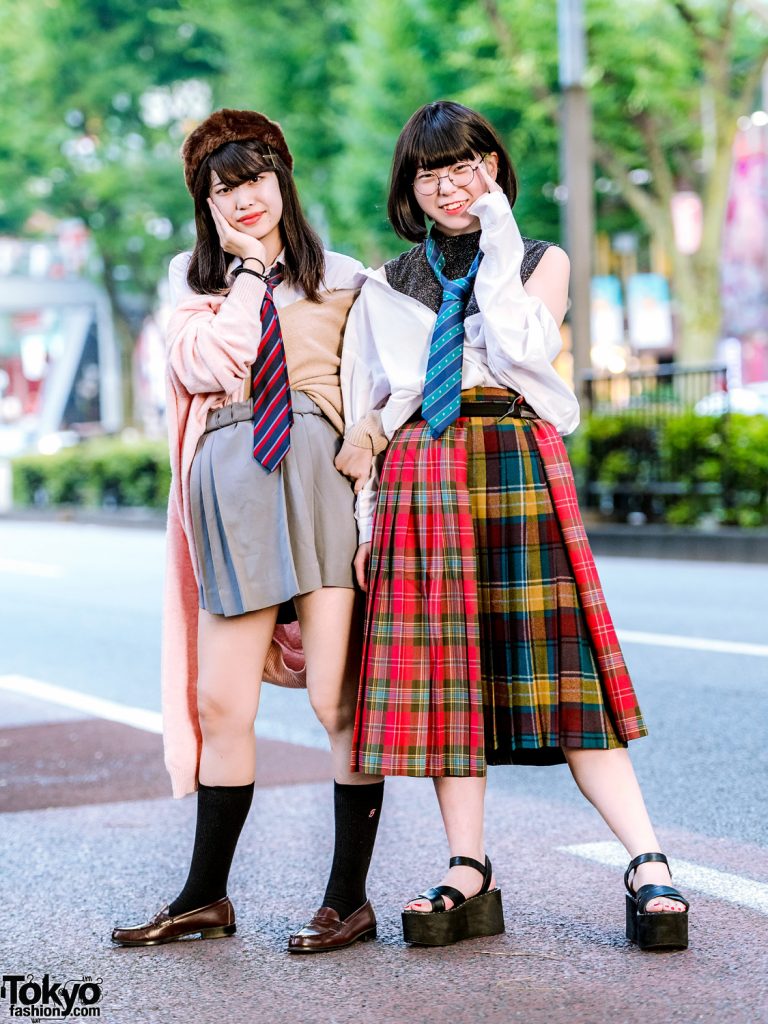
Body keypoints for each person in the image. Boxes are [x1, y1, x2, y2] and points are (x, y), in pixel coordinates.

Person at [335, 100, 689, 951]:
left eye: (467, 165)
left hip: (517, 459)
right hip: (423, 471)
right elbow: (371, 408)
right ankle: (469, 868)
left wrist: (496, 235)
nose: (450, 184)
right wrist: (364, 524)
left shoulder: (540, 260)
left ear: (494, 168)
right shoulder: (383, 284)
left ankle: (647, 864)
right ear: (409, 187)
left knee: (563, 676)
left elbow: (525, 349)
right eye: (431, 172)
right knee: (448, 685)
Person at [111, 109, 384, 954]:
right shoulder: (190, 284)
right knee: (220, 699)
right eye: (222, 188)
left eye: (254, 180)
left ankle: (347, 900)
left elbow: (370, 402)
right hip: (230, 486)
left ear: (282, 181)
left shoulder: (345, 278)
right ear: (205, 201)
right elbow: (211, 364)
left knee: (339, 698)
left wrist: (371, 516)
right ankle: (206, 896)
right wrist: (249, 277)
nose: (242, 198)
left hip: (319, 480)